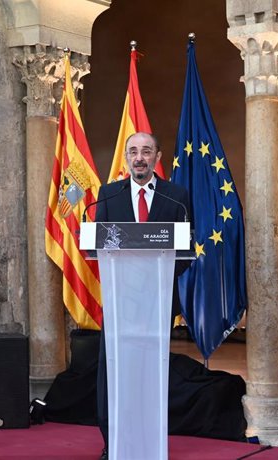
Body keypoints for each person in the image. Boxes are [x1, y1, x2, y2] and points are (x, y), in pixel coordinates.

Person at [94, 132, 191, 460]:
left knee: (152, 374)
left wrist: (155, 280)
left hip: (158, 302)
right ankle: (115, 444)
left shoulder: (176, 197)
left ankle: (152, 445)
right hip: (120, 303)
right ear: (126, 158)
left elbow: (185, 250)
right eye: (133, 151)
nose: (139, 157)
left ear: (157, 157)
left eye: (146, 151)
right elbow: (100, 249)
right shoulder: (107, 196)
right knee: (115, 374)